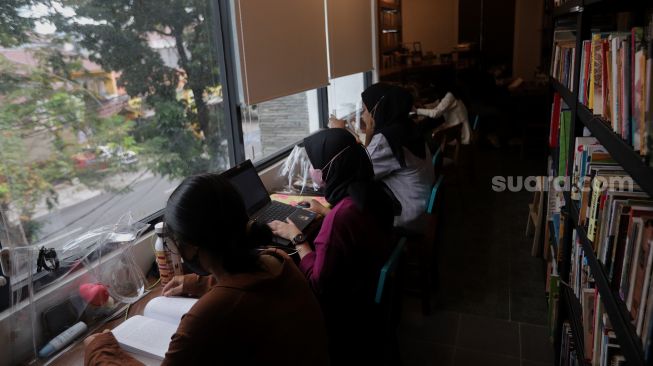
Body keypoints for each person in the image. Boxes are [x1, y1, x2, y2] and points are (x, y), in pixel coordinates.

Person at [84, 174, 329, 365]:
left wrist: (102, 349)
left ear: (189, 248)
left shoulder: (209, 314)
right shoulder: (276, 259)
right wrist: (200, 283)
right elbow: (247, 288)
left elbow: (234, 299)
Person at [268, 128, 395, 365]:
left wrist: (298, 238)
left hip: (346, 310)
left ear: (330, 169)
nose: (313, 171)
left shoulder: (341, 218)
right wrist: (326, 211)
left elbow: (318, 283)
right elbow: (356, 227)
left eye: (316, 165)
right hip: (365, 285)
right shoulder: (370, 190)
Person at [361, 83, 435, 232]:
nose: (363, 115)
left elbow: (361, 172)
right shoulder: (406, 125)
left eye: (365, 109)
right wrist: (369, 132)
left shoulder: (386, 139)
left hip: (408, 216)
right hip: (422, 205)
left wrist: (340, 133)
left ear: (376, 110)